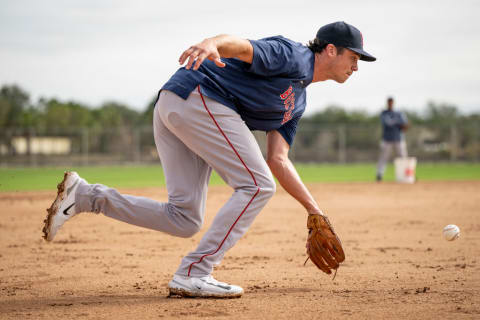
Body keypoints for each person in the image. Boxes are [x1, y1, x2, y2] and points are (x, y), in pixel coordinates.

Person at [43, 21, 376, 298]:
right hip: (198, 96)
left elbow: (279, 159)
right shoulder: (295, 56)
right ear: (330, 49)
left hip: (181, 106)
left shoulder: (298, 102)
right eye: (354, 56)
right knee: (257, 185)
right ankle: (194, 272)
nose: (357, 65)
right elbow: (241, 45)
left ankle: (86, 196)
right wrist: (210, 43)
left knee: (184, 218)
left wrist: (314, 210)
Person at [376, 96, 409, 181]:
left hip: (398, 138)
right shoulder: (384, 113)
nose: (390, 104)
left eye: (391, 102)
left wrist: (400, 124)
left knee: (403, 157)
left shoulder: (399, 113)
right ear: (387, 103)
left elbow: (405, 125)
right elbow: (387, 123)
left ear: (393, 103)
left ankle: (407, 175)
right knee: (383, 158)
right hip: (387, 139)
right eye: (389, 102)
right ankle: (379, 175)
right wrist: (398, 123)